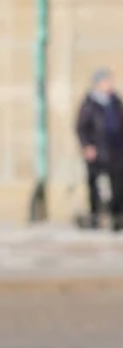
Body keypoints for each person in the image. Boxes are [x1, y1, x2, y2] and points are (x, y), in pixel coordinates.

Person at [76, 68, 123, 229]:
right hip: (97, 149)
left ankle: (117, 215)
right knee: (95, 184)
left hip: (116, 150)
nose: (109, 84)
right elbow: (81, 127)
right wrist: (87, 146)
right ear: (98, 83)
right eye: (106, 81)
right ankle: (96, 215)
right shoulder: (90, 103)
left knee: (118, 183)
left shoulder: (115, 101)